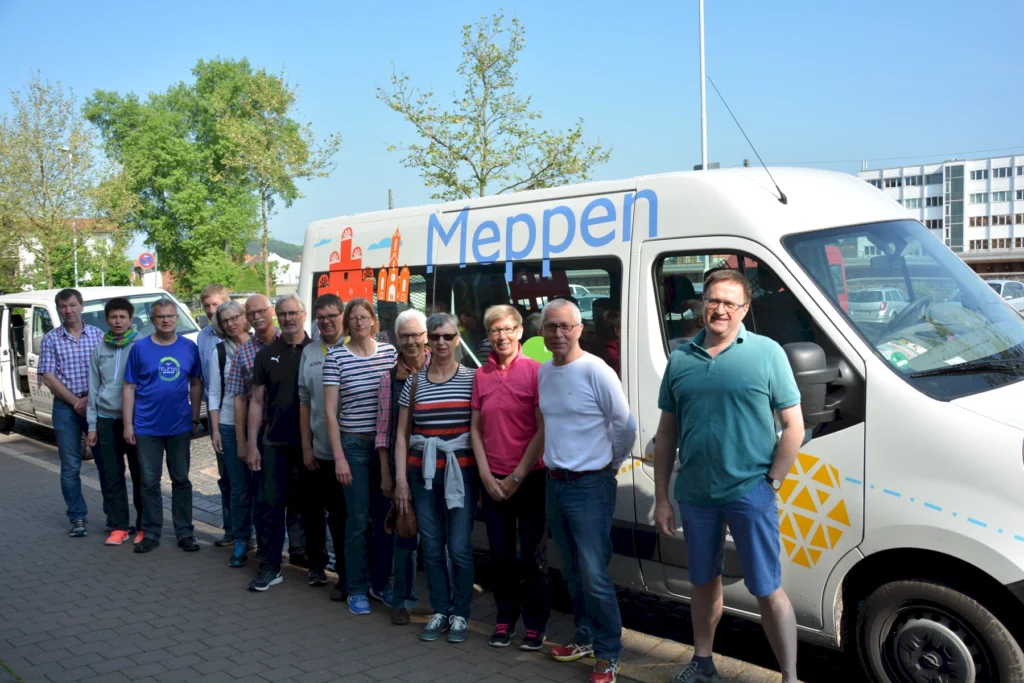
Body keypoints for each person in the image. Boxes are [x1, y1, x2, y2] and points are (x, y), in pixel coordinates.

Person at [653, 269, 804, 683]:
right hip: (696, 495)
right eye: (713, 301)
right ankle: (703, 662)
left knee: (767, 588)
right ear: (703, 304)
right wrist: (662, 498)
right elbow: (666, 435)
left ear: (745, 309)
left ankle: (789, 676)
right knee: (703, 581)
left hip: (749, 491)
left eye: (729, 303)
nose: (719, 309)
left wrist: (771, 482)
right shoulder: (681, 357)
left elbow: (794, 426)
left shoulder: (767, 353)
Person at [539, 298, 636, 683]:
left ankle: (609, 653)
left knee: (594, 574)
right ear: (542, 331)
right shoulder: (545, 372)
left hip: (590, 485)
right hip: (555, 483)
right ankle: (584, 637)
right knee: (572, 570)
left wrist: (608, 465)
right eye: (551, 327)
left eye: (566, 326)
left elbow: (625, 425)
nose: (558, 334)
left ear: (580, 329)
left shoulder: (597, 370)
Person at [394, 313, 478, 644]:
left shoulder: (472, 379)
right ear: (428, 339)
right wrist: (401, 480)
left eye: (448, 336)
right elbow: (402, 435)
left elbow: (479, 432)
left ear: (458, 339)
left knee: (458, 548)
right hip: (422, 476)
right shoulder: (414, 383)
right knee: (430, 546)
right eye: (436, 336)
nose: (441, 342)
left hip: (462, 474)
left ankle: (461, 614)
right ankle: (440, 610)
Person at [470, 305, 549, 651]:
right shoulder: (481, 375)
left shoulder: (536, 372)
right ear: (488, 336)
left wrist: (516, 477)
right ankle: (504, 620)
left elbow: (543, 429)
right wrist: (486, 474)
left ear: (520, 332)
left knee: (531, 555)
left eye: (507, 329)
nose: (500, 336)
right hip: (492, 479)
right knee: (500, 554)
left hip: (530, 478)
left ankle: (535, 625)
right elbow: (475, 429)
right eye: (494, 330)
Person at [323, 298, 398, 615]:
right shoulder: (336, 357)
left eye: (364, 317)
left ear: (373, 321)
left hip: (384, 448)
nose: (358, 322)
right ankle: (356, 587)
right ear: (346, 322)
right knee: (356, 521)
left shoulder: (390, 353)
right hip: (352, 446)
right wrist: (338, 456)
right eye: (353, 318)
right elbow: (330, 413)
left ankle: (381, 584)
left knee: (384, 520)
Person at [226, 295, 308, 568]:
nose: (257, 316)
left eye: (262, 310)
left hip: (302, 435)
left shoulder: (300, 345)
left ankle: (299, 551)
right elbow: (241, 399)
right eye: (251, 313)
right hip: (266, 435)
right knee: (267, 500)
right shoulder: (245, 352)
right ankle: (267, 554)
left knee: (300, 497)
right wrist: (244, 442)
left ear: (272, 312)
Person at [123, 299, 203, 554]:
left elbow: (196, 383)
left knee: (181, 480)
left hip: (179, 426)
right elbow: (129, 387)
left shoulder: (189, 348)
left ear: (177, 318)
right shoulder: (139, 349)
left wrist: (193, 418)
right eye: (160, 317)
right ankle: (152, 531)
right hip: (146, 427)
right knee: (148, 482)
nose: (166, 320)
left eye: (170, 316)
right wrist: (128, 424)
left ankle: (185, 533)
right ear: (152, 319)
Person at [245, 294, 312, 591]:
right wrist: (251, 444)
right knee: (270, 506)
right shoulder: (266, 354)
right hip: (274, 443)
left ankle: (315, 564)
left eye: (293, 313)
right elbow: (256, 401)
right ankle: (270, 567)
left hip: (312, 445)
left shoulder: (319, 351)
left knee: (311, 506)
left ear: (304, 315)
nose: (288, 318)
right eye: (283, 314)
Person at [374, 309, 430, 625]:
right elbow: (384, 430)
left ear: (426, 336)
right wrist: (387, 473)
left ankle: (445, 605)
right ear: (396, 339)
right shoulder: (388, 378)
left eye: (416, 335)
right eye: (404, 335)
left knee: (440, 540)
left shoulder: (444, 368)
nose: (411, 341)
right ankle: (403, 598)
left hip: (438, 467)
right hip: (403, 469)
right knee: (405, 536)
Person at [38, 288, 103, 537]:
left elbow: (104, 371)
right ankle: (77, 517)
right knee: (70, 466)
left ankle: (114, 517)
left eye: (73, 305)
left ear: (81, 306)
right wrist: (76, 401)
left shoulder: (98, 336)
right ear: (59, 309)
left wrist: (89, 399)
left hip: (95, 404)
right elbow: (48, 377)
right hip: (66, 408)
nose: (69, 310)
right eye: (64, 306)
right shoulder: (51, 339)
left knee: (105, 462)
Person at [298, 293, 348, 593]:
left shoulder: (355, 348)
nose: (327, 321)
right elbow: (304, 402)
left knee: (344, 517)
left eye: (332, 315)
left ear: (343, 314)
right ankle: (318, 565)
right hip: (320, 450)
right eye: (321, 318)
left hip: (351, 448)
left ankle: (346, 572)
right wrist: (306, 446)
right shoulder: (310, 352)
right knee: (315, 512)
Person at [86, 297, 143, 546]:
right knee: (112, 475)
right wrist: (91, 425)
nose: (118, 321)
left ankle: (144, 525)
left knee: (142, 474)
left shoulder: (141, 346)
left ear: (131, 320)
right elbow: (93, 388)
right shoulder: (99, 349)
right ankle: (119, 526)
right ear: (107, 320)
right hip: (106, 419)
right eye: (113, 317)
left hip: (137, 421)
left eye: (123, 317)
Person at [208, 300, 255, 568]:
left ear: (243, 317)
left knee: (261, 486)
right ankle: (240, 540)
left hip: (260, 425)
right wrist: (214, 429)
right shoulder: (220, 352)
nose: (230, 323)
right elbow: (214, 392)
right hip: (228, 423)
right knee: (238, 489)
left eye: (234, 317)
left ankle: (260, 538)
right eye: (225, 320)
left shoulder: (260, 344)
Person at [197, 283, 233, 547]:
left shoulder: (244, 333)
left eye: (216, 304)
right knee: (226, 475)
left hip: (243, 412)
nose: (211, 310)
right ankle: (231, 529)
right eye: (207, 305)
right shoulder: (203, 337)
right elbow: (201, 381)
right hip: (217, 413)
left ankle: (250, 529)